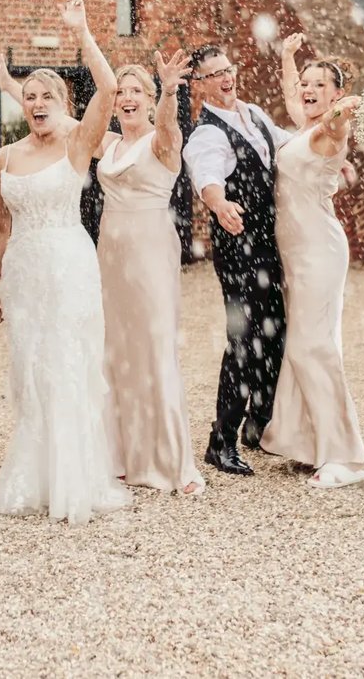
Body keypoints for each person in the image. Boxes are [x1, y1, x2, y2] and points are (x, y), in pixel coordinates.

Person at [0, 0, 131, 523]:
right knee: (30, 369)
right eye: (29, 96)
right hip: (24, 272)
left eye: (47, 94)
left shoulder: (76, 146)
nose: (38, 102)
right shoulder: (5, 158)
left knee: (69, 364)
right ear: (21, 105)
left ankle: (76, 478)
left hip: (69, 265)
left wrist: (83, 32)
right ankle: (36, 474)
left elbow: (110, 87)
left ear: (63, 102)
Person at [259, 33, 364, 488]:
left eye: (318, 84)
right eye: (305, 83)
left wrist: (344, 106)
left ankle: (344, 456)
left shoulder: (330, 131)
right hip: (297, 253)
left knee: (313, 346)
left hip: (320, 252)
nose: (306, 89)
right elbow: (293, 97)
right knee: (307, 344)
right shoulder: (304, 128)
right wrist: (289, 57)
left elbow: (343, 116)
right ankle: (309, 442)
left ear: (335, 93)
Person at [95, 54, 205, 496]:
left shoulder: (163, 141)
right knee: (117, 353)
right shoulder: (107, 144)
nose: (127, 98)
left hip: (150, 252)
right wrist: (11, 84)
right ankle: (123, 456)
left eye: (136, 90)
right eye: (121, 91)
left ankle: (174, 463)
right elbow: (64, 126)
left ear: (151, 98)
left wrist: (172, 90)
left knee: (156, 349)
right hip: (111, 256)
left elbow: (168, 127)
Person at [182, 44, 293, 476]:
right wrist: (219, 203)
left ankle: (258, 424)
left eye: (228, 69)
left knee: (276, 334)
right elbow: (204, 176)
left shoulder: (255, 114)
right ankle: (221, 441)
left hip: (270, 242)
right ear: (201, 85)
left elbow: (289, 147)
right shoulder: (207, 132)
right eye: (215, 74)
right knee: (244, 342)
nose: (226, 78)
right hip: (238, 246)